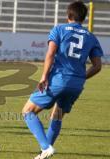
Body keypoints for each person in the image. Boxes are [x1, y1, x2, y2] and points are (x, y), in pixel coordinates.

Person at [22, 1, 103, 159]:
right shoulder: (91, 37)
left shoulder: (59, 29)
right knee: (57, 115)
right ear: (84, 18)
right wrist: (81, 77)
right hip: (76, 84)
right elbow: (97, 66)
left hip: (58, 80)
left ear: (68, 15)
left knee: (27, 111)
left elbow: (51, 54)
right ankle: (44, 153)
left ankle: (46, 147)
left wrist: (44, 76)